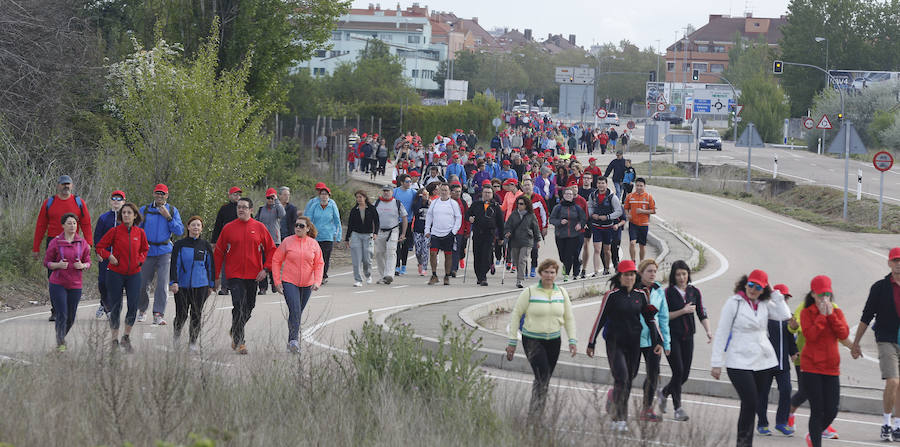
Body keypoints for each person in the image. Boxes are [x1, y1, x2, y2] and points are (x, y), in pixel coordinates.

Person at [710, 269, 793, 447]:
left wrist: (774, 293)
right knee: (750, 400)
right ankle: (743, 443)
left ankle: (746, 443)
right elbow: (722, 332)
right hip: (738, 360)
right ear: (745, 284)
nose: (753, 290)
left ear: (764, 290)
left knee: (751, 404)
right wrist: (716, 362)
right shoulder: (734, 303)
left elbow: (785, 315)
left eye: (758, 287)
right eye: (751, 285)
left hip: (762, 361)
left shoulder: (765, 304)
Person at [587, 260, 663, 432]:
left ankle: (617, 411)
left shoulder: (641, 295)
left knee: (628, 380)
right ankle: (619, 418)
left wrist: (658, 341)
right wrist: (592, 342)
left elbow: (650, 319)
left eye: (632, 275)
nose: (629, 278)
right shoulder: (611, 296)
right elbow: (600, 319)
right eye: (626, 275)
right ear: (620, 276)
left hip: (634, 344)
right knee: (621, 378)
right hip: (615, 343)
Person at [505, 259, 577, 420]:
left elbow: (569, 317)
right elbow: (516, 315)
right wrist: (512, 342)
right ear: (540, 273)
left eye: (552, 272)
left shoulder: (561, 293)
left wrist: (572, 340)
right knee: (542, 375)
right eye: (546, 272)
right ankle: (535, 416)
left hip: (554, 340)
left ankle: (536, 414)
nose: (549, 275)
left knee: (544, 378)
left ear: (556, 274)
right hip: (532, 340)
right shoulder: (530, 292)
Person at [213, 197, 277, 355]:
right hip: (234, 274)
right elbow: (219, 252)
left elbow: (271, 249)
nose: (240, 209)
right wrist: (215, 276)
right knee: (238, 305)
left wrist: (266, 269)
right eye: (239, 207)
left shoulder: (259, 227)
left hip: (254, 275)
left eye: (244, 207)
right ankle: (240, 342)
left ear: (251, 210)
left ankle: (235, 329)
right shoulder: (228, 228)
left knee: (249, 306)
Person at [849, 247, 900, 441]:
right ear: (889, 263)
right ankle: (886, 423)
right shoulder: (880, 287)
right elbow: (867, 315)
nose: (898, 264)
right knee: (893, 381)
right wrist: (855, 343)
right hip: (886, 339)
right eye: (895, 260)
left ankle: (898, 425)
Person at [34, 175, 93, 322]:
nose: (66, 186)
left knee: (72, 275)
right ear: (58, 186)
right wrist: (36, 247)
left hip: (74, 242)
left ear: (72, 186)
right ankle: (56, 310)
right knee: (53, 276)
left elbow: (86, 223)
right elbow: (41, 225)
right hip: (54, 242)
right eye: (63, 184)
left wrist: (89, 243)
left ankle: (69, 308)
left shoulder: (79, 202)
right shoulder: (49, 202)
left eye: (68, 184)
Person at [659, 260, 711, 422]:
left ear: (688, 274)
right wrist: (683, 311)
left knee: (685, 375)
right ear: (673, 276)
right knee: (678, 371)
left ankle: (664, 393)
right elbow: (664, 316)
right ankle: (678, 409)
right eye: (678, 274)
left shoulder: (694, 292)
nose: (681, 277)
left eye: (684, 274)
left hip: (688, 337)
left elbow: (701, 313)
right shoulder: (667, 293)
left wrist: (708, 331)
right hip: (671, 336)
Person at [800, 275, 849, 447]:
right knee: (817, 409)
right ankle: (816, 442)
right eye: (821, 294)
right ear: (813, 294)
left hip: (831, 368)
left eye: (827, 294)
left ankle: (813, 434)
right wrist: (821, 317)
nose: (824, 298)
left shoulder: (837, 313)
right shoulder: (806, 313)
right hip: (811, 367)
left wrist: (831, 316)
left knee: (832, 410)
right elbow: (810, 336)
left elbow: (843, 334)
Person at [96, 202, 149, 353]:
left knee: (133, 305)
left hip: (134, 274)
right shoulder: (114, 231)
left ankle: (126, 338)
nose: (126, 215)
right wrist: (109, 256)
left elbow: (145, 249)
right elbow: (99, 247)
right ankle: (114, 340)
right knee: (116, 306)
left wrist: (140, 260)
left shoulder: (140, 233)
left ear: (135, 216)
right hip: (115, 273)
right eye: (124, 212)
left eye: (129, 213)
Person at [272, 216, 325, 354]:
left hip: (307, 284)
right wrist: (277, 281)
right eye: (296, 225)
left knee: (297, 312)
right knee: (295, 309)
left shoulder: (313, 244)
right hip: (289, 281)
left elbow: (319, 264)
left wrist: (317, 281)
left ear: (307, 228)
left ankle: (291, 342)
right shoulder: (287, 241)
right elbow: (276, 260)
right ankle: (294, 341)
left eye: (301, 226)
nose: (298, 228)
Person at [43, 213, 92, 351]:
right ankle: (61, 344)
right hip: (58, 283)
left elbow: (88, 262)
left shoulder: (82, 243)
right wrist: (57, 265)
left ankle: (61, 338)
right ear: (63, 225)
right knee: (62, 314)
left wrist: (83, 265)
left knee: (71, 317)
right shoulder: (55, 242)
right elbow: (46, 262)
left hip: (75, 285)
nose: (72, 226)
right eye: (69, 223)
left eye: (74, 223)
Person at [755, 283, 799, 436]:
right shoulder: (766, 314)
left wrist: (794, 352)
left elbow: (791, 338)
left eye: (786, 298)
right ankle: (762, 424)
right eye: (783, 297)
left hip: (782, 364)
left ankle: (781, 422)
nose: (785, 301)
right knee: (762, 394)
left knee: (786, 390)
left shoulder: (788, 317)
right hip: (765, 363)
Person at [138, 183, 185, 325]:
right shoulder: (145, 210)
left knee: (162, 284)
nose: (160, 196)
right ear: (153, 194)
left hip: (165, 251)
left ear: (167, 196)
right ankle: (142, 310)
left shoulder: (172, 210)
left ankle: (158, 314)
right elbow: (137, 229)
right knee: (142, 283)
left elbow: (179, 231)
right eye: (157, 193)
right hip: (148, 250)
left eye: (162, 193)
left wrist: (168, 217)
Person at [168, 216, 214, 354]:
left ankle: (193, 343)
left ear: (201, 229)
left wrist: (211, 284)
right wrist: (174, 282)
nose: (196, 227)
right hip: (182, 286)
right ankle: (176, 337)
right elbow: (174, 264)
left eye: (198, 225)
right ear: (188, 227)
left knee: (196, 314)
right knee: (181, 314)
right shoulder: (179, 244)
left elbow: (210, 266)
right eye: (193, 225)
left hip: (201, 286)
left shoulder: (205, 245)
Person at [635, 258, 670, 422]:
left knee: (653, 374)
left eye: (655, 271)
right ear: (641, 273)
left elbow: (663, 318)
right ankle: (614, 395)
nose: (653, 274)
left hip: (653, 340)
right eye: (649, 271)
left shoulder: (658, 290)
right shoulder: (634, 288)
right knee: (629, 373)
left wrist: (665, 342)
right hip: (634, 338)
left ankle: (647, 409)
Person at [93, 190, 126, 319]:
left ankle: (111, 310)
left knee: (116, 284)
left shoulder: (126, 218)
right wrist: (98, 252)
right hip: (105, 256)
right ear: (110, 201)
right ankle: (104, 303)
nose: (116, 201)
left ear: (123, 202)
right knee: (103, 282)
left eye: (119, 199)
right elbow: (97, 236)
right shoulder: (104, 218)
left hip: (120, 258)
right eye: (114, 199)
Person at [466, 181, 504, 286]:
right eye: (485, 192)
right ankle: (479, 276)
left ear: (492, 194)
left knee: (486, 256)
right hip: (477, 233)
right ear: (482, 193)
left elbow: (500, 223)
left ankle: (483, 277)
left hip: (489, 234)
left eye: (489, 193)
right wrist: (470, 218)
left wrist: (501, 237)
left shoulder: (495, 206)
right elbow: (467, 214)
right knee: (477, 255)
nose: (487, 194)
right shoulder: (476, 204)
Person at [303, 183, 341, 285]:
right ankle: (314, 276)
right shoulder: (314, 205)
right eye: (322, 194)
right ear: (319, 195)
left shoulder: (332, 206)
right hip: (315, 236)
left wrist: (338, 236)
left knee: (325, 258)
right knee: (314, 257)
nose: (324, 196)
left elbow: (337, 221)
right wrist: (307, 232)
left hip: (328, 236)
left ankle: (323, 276)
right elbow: (308, 219)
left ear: (329, 195)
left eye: (326, 194)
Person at [425, 183, 461, 286]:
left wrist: (454, 231)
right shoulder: (434, 203)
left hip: (448, 233)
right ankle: (434, 275)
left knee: (448, 255)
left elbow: (458, 217)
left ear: (449, 192)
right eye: (442, 190)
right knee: (433, 253)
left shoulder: (453, 203)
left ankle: (447, 275)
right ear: (439, 191)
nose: (444, 192)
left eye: (446, 190)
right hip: (435, 233)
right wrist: (427, 230)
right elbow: (429, 216)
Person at [504, 196, 542, 289]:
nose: (519, 205)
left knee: (522, 260)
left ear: (526, 205)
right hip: (515, 241)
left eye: (521, 204)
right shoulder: (514, 214)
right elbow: (507, 225)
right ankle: (520, 275)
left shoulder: (531, 215)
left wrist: (537, 240)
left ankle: (519, 280)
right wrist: (507, 232)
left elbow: (536, 228)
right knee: (516, 261)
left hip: (527, 241)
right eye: (518, 203)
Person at [373, 184, 408, 285]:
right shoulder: (377, 203)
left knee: (391, 252)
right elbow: (371, 218)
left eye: (388, 191)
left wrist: (403, 233)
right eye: (384, 191)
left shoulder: (397, 203)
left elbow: (404, 217)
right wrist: (373, 232)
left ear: (392, 192)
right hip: (379, 231)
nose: (386, 193)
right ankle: (383, 275)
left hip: (393, 231)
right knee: (379, 253)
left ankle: (389, 275)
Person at [588, 176, 623, 276]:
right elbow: (590, 206)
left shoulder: (612, 197)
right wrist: (591, 214)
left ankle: (606, 269)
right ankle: (595, 271)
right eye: (599, 183)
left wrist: (607, 217)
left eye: (603, 183)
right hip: (596, 226)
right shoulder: (593, 195)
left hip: (608, 227)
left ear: (606, 184)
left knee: (607, 250)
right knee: (597, 249)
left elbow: (619, 211)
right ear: (596, 184)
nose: (601, 185)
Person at [549, 188, 586, 281]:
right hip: (560, 235)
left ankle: (567, 273)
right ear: (563, 195)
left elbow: (583, 218)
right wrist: (560, 222)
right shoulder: (558, 207)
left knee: (569, 255)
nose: (568, 196)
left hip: (573, 235)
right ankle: (568, 265)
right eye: (566, 194)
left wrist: (580, 224)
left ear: (573, 196)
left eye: (570, 194)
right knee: (562, 256)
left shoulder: (577, 208)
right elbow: (551, 219)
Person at [211, 186, 242, 295]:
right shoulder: (224, 209)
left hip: (241, 240)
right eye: (235, 194)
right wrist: (214, 241)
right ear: (229, 196)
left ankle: (237, 285)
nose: (237, 196)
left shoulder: (243, 208)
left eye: (239, 195)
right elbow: (218, 225)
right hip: (227, 240)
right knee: (226, 263)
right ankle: (224, 287)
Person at [345, 191, 378, 287]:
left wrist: (375, 233)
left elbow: (376, 221)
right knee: (356, 259)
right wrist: (347, 238)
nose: (359, 199)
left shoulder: (371, 208)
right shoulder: (354, 210)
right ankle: (358, 279)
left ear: (365, 197)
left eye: (360, 197)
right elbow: (350, 225)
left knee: (367, 258)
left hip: (368, 235)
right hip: (356, 235)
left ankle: (368, 274)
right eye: (357, 197)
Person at [256, 187, 285, 295]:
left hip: (275, 240)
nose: (270, 200)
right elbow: (256, 221)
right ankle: (262, 287)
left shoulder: (277, 208)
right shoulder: (261, 209)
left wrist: (277, 201)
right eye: (268, 197)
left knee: (274, 263)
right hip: (262, 241)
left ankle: (274, 283)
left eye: (272, 198)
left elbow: (282, 214)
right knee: (262, 263)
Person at [519, 177, 549, 278]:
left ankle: (533, 267)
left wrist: (545, 227)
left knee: (534, 250)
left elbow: (544, 213)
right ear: (522, 187)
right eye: (525, 185)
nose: (527, 187)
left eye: (529, 185)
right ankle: (524, 270)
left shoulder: (539, 198)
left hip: (535, 230)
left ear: (532, 186)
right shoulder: (519, 199)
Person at [623, 178, 656, 262]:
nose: (639, 187)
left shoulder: (648, 197)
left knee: (642, 245)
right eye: (637, 185)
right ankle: (633, 261)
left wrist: (643, 211)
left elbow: (653, 211)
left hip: (644, 224)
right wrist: (627, 214)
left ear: (644, 186)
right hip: (633, 223)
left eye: (641, 186)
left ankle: (641, 262)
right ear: (635, 186)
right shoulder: (630, 196)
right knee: (632, 243)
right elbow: (626, 208)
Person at [393, 174, 417, 276]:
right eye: (407, 181)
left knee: (405, 245)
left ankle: (404, 265)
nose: (409, 183)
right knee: (396, 244)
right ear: (402, 182)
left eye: (410, 181)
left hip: (408, 221)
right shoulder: (395, 191)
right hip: (396, 221)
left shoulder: (413, 192)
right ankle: (397, 266)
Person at [449, 181, 470, 277]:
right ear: (451, 192)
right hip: (447, 229)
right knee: (449, 250)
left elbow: (466, 217)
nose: (458, 193)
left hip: (460, 230)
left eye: (459, 191)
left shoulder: (463, 203)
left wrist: (467, 230)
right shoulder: (447, 202)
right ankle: (449, 267)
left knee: (456, 250)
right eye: (455, 191)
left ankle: (454, 269)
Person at [410, 187, 432, 276]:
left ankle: (424, 268)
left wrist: (429, 203)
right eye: (424, 194)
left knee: (425, 250)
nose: (425, 196)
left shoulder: (430, 204)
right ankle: (420, 263)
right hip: (418, 230)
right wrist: (419, 199)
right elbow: (415, 211)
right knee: (418, 250)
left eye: (427, 194)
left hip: (427, 231)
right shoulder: (416, 204)